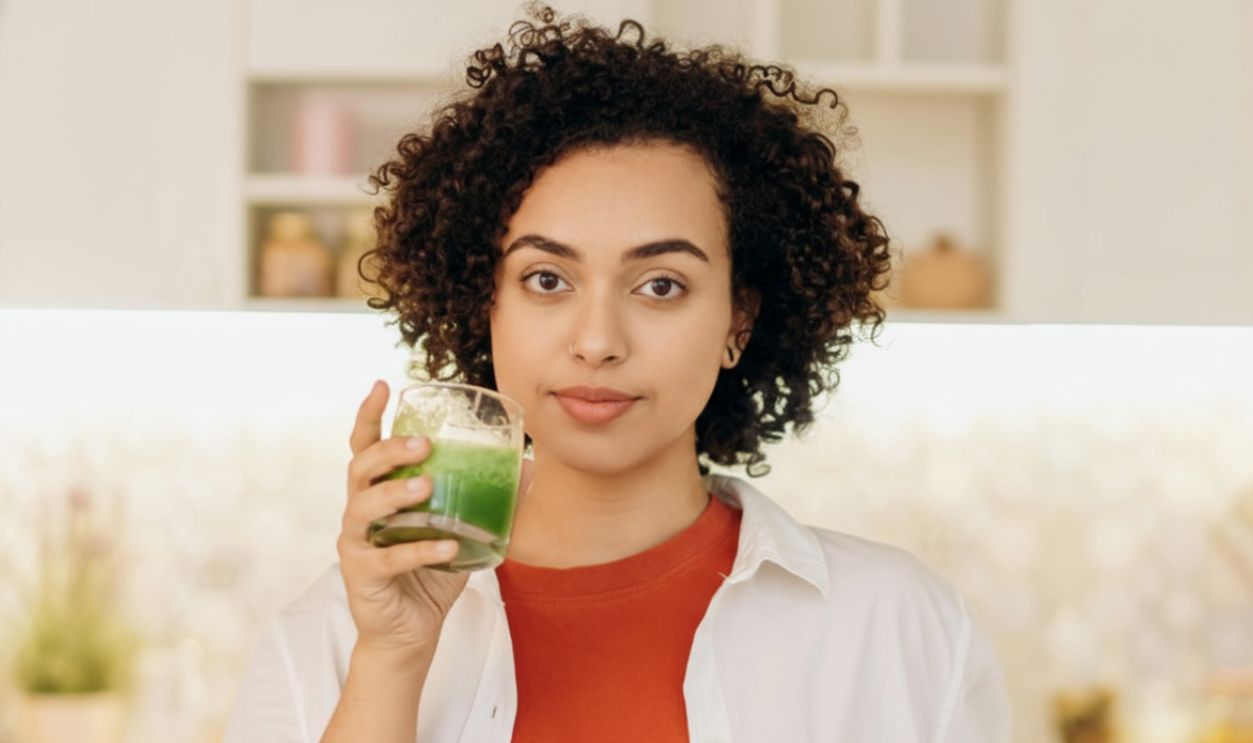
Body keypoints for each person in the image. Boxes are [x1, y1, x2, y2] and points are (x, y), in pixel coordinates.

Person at [223, 3, 1012, 741]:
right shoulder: (325, 638)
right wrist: (391, 661)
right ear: (482, 301)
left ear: (737, 319)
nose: (596, 340)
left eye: (660, 285)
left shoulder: (902, 626)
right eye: (546, 279)